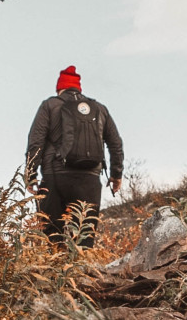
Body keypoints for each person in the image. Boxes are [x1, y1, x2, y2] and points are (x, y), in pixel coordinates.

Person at [24, 65, 125, 247]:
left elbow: (35, 142)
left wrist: (30, 175)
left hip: (55, 177)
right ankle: (80, 264)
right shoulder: (99, 109)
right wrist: (116, 175)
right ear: (78, 88)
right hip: (89, 179)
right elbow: (115, 143)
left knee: (52, 237)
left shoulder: (50, 106)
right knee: (84, 236)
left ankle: (56, 263)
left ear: (59, 89)